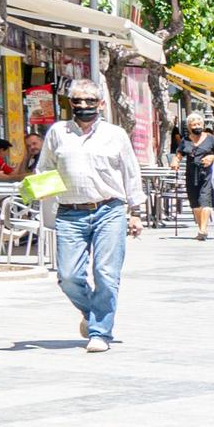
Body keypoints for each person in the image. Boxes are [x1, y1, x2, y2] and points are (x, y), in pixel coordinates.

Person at [36, 80, 143, 354]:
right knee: (68, 275)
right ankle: (94, 312)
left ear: (101, 104)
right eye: (78, 101)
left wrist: (136, 212)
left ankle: (100, 332)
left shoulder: (115, 134)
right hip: (70, 213)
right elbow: (45, 169)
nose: (83, 106)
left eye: (90, 101)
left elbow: (131, 173)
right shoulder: (58, 133)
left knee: (106, 274)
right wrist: (37, 190)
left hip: (110, 209)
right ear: (69, 103)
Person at [179, 113, 214, 240]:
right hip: (191, 175)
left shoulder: (210, 138)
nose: (196, 126)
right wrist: (175, 161)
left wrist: (212, 157)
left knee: (205, 200)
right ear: (189, 127)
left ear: (202, 125)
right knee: (195, 204)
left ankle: (203, 230)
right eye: (193, 125)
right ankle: (201, 228)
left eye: (198, 124)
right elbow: (179, 153)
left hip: (206, 174)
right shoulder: (185, 140)